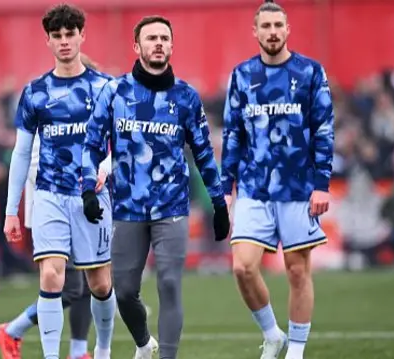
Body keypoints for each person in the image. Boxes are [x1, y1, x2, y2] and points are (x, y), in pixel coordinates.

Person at [80, 15, 230, 359]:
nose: (158, 43)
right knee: (125, 292)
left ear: (172, 46)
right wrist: (88, 189)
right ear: (138, 46)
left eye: (164, 37)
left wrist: (219, 204)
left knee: (169, 284)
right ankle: (145, 344)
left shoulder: (187, 97)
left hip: (172, 208)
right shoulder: (114, 91)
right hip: (128, 209)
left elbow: (205, 153)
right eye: (151, 38)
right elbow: (91, 144)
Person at [221, 1, 334, 359]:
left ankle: (296, 352)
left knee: (297, 271)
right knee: (242, 266)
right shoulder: (241, 75)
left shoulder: (310, 72)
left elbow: (324, 130)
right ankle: (273, 334)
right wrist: (225, 189)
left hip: (299, 189)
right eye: (265, 26)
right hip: (254, 189)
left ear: (287, 30)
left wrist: (322, 183)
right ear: (254, 32)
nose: (272, 32)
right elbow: (233, 135)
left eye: (277, 25)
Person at [1, 5, 116, 359]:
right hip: (49, 194)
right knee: (52, 277)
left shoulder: (106, 88)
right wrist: (11, 211)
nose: (64, 41)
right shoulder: (35, 92)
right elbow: (21, 154)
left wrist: (106, 170)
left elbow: (122, 143)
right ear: (48, 40)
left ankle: (103, 350)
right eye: (58, 35)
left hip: (92, 197)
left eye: (70, 34)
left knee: (100, 284)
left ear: (82, 35)